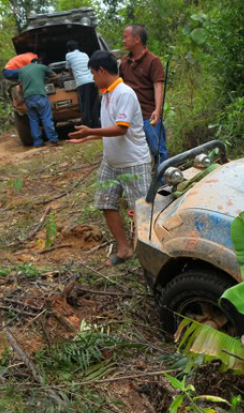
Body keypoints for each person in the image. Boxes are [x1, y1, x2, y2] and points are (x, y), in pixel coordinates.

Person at [68, 50, 152, 267]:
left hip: (133, 162)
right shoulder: (106, 94)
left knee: (141, 211)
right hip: (111, 161)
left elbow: (121, 129)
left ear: (102, 70)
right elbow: (110, 128)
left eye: (94, 74)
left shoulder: (124, 93)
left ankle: (147, 254)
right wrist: (88, 137)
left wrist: (89, 131)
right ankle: (124, 249)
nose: (93, 79)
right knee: (106, 203)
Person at [119, 24, 168, 166]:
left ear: (137, 39)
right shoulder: (124, 63)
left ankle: (164, 183)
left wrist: (157, 110)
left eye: (126, 37)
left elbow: (158, 86)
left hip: (148, 116)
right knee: (134, 154)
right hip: (130, 118)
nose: (123, 41)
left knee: (158, 150)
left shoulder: (153, 61)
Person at [17, 59, 59, 147]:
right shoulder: (42, 67)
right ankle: (53, 140)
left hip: (28, 97)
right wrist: (44, 78)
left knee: (33, 120)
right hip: (39, 95)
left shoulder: (22, 70)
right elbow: (54, 75)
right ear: (38, 63)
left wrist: (22, 97)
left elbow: (20, 85)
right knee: (46, 117)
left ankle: (38, 143)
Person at [65, 40, 100, 128]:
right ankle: (96, 126)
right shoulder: (84, 54)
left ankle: (86, 128)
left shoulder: (68, 55)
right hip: (92, 81)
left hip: (82, 83)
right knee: (93, 105)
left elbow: (70, 71)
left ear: (69, 49)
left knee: (85, 106)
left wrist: (71, 74)